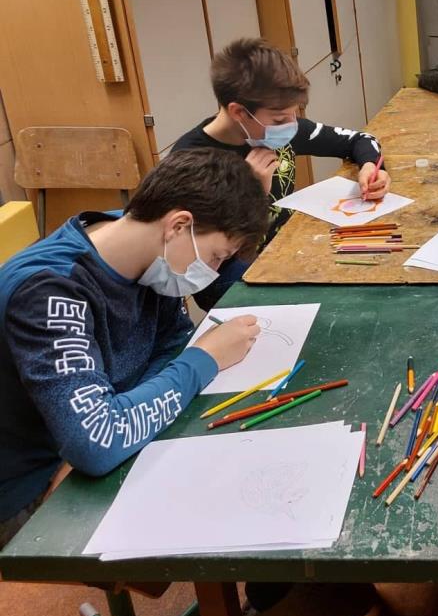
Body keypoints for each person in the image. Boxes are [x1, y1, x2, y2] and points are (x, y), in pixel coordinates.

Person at [0, 149, 268, 549]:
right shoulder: (50, 293)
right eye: (216, 257)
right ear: (179, 225)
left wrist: (105, 423)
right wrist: (205, 359)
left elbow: (170, 346)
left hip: (80, 443)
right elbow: (98, 441)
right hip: (29, 488)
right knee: (216, 516)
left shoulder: (144, 251)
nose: (211, 273)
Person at [174, 38, 389, 308]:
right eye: (279, 119)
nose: (291, 125)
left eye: (293, 115)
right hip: (230, 277)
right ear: (239, 112)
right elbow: (196, 263)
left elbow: (359, 140)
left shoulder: (275, 131)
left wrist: (370, 166)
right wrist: (251, 191)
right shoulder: (190, 161)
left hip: (286, 249)